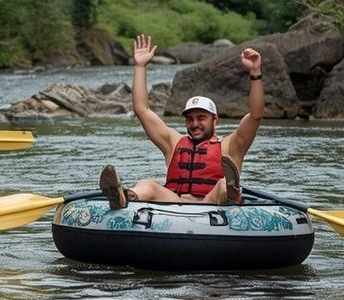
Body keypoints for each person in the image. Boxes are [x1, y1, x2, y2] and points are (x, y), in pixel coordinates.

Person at [99, 33, 264, 208]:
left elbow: (255, 115)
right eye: (190, 119)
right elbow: (142, 110)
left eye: (201, 118)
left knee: (223, 184)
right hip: (174, 203)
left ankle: (233, 194)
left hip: (210, 204)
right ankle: (124, 198)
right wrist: (140, 66)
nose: (194, 124)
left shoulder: (231, 146)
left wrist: (255, 73)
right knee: (147, 184)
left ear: (215, 120)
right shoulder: (173, 143)